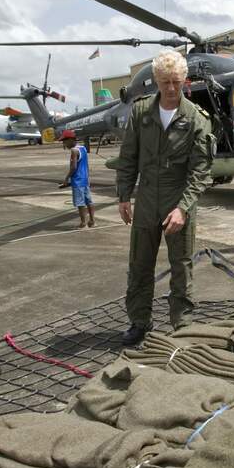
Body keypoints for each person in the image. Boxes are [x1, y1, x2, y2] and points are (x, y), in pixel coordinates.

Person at [116, 50, 215, 345]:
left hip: (178, 196)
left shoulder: (196, 118)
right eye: (165, 82)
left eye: (176, 81)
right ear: (156, 81)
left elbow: (201, 171)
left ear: (184, 80)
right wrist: (124, 195)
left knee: (181, 266)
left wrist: (183, 208)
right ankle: (139, 321)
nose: (171, 88)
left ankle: (181, 324)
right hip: (146, 198)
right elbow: (128, 156)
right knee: (139, 265)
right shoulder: (140, 112)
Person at [59, 129, 95, 229]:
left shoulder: (74, 151)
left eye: (65, 141)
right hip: (85, 180)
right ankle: (92, 221)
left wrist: (66, 178)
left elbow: (73, 167)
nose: (64, 144)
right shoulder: (83, 148)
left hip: (78, 181)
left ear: (71, 140)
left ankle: (83, 223)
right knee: (89, 201)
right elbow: (85, 164)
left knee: (80, 203)